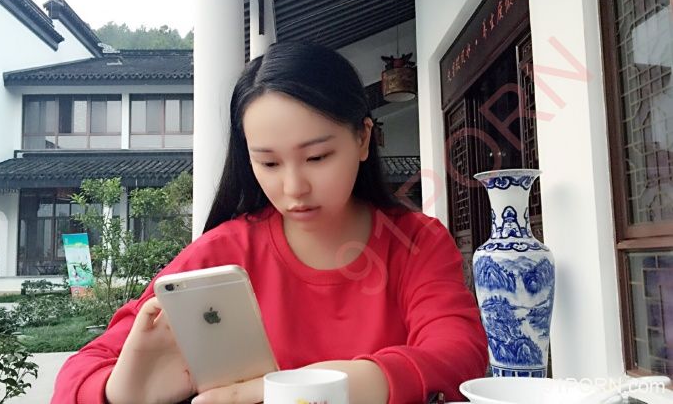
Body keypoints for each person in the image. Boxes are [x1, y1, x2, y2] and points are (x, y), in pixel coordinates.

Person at [52, 41, 488, 404]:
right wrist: (117, 392)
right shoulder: (221, 255)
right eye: (269, 163)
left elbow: (459, 355)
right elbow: (79, 374)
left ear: (362, 138)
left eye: (317, 157)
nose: (294, 187)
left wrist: (315, 388)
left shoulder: (414, 242)